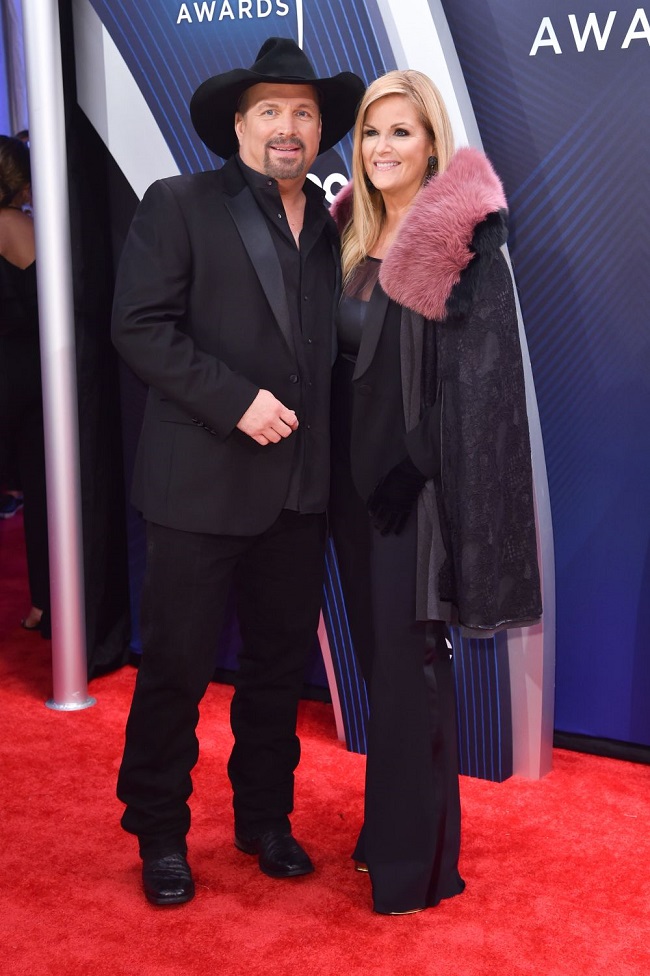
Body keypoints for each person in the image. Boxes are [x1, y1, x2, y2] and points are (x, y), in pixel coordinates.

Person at [111, 38, 364, 906]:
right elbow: (140, 327)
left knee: (277, 670)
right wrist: (236, 400)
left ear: (320, 126)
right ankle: (159, 831)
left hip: (300, 495)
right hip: (200, 487)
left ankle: (264, 819)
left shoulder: (333, 226)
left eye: (302, 111)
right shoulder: (178, 203)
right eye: (269, 111)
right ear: (238, 124)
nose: (287, 127)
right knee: (176, 671)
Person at [328, 70, 542, 915]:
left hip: (410, 493)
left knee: (411, 665)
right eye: (372, 132)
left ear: (432, 143)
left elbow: (481, 384)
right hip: (348, 489)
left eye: (401, 132)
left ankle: (417, 865)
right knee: (384, 666)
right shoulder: (347, 234)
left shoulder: (460, 237)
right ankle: (393, 829)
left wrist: (413, 464)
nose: (383, 148)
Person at [0, 135, 50, 634]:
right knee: (41, 491)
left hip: (11, 373)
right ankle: (43, 603)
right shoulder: (26, 226)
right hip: (33, 375)